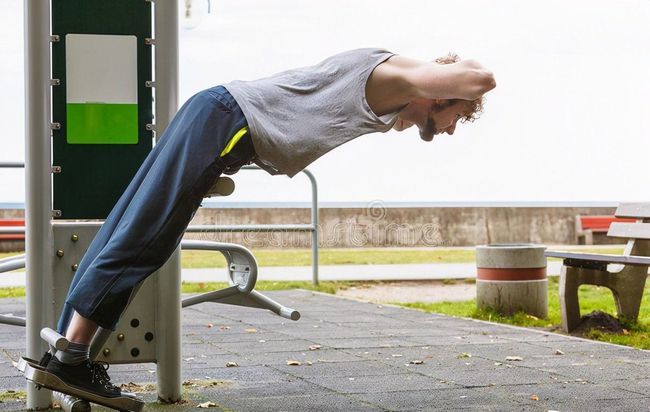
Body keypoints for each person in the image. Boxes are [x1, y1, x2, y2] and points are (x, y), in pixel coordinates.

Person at [41, 48, 496, 400]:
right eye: (455, 116)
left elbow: (399, 117)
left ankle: (62, 351)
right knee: (146, 239)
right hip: (225, 120)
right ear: (439, 92)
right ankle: (72, 359)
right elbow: (483, 78)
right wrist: (453, 67)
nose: (451, 130)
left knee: (129, 227)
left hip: (218, 115)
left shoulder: (392, 95)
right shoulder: (399, 74)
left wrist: (427, 115)